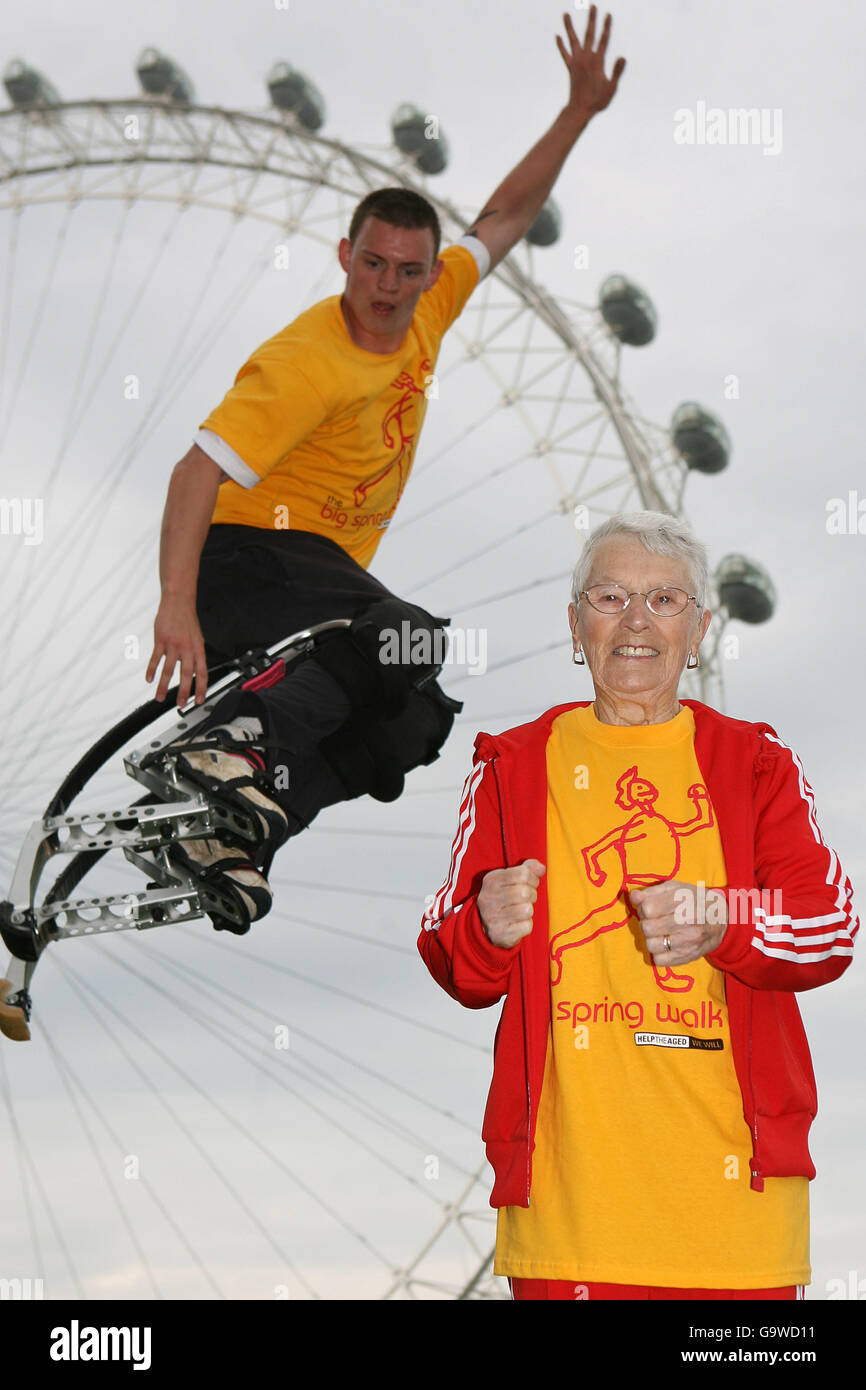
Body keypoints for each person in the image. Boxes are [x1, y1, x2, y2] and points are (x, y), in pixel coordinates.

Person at [141, 8, 627, 935]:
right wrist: (175, 605)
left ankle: (232, 836)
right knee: (407, 633)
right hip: (247, 559)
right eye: (372, 265)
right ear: (345, 258)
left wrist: (578, 112)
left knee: (417, 715)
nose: (387, 288)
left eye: (407, 270)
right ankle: (229, 748)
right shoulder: (309, 362)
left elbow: (507, 216)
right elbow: (194, 472)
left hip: (316, 579)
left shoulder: (434, 300)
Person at [418, 511, 858, 1301]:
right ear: (575, 623)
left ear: (700, 629)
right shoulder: (509, 767)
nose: (635, 622)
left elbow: (830, 927)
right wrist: (485, 927)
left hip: (737, 1224)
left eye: (665, 601)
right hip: (567, 1226)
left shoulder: (758, 763)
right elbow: (454, 958)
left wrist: (724, 920)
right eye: (611, 595)